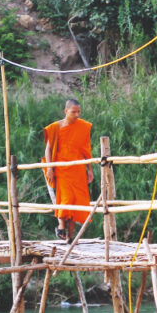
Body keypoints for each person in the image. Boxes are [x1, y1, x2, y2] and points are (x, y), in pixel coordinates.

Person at [43, 98, 93, 240]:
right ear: (66, 111)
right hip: (62, 168)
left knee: (76, 204)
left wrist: (90, 170)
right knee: (67, 199)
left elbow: (86, 150)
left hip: (78, 169)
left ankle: (69, 237)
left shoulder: (82, 127)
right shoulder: (55, 127)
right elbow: (48, 149)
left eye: (79, 112)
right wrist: (49, 168)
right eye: (73, 112)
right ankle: (61, 227)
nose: (77, 115)